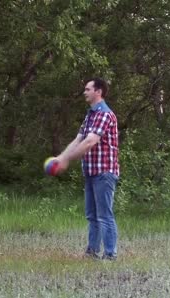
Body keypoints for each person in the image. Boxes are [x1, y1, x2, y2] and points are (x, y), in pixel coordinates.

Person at [55, 78, 120, 260]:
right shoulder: (90, 115)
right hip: (91, 172)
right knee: (92, 215)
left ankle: (110, 255)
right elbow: (78, 139)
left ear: (98, 92)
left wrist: (67, 160)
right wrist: (61, 157)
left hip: (104, 172)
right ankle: (92, 252)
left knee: (104, 215)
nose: (84, 92)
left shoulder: (104, 114)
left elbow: (90, 141)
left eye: (87, 89)